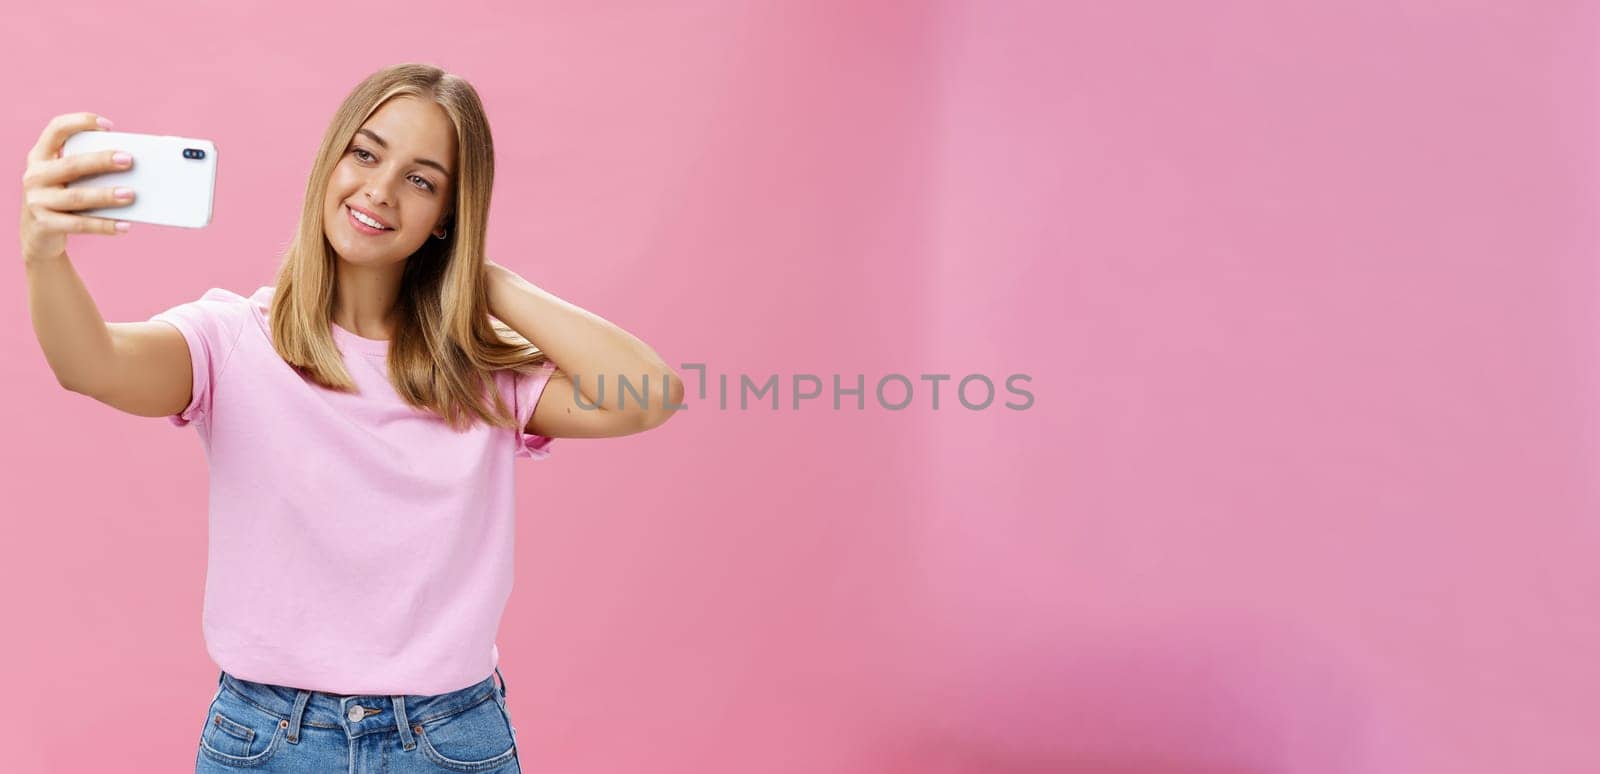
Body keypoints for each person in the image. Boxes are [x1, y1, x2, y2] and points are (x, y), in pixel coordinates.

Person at [20, 62, 684, 773]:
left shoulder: (477, 374)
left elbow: (649, 394)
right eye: (366, 153)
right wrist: (43, 254)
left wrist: (488, 281)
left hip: (449, 740)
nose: (380, 190)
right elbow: (89, 365)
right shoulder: (231, 339)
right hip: (266, 738)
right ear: (331, 158)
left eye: (422, 180)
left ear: (448, 218)